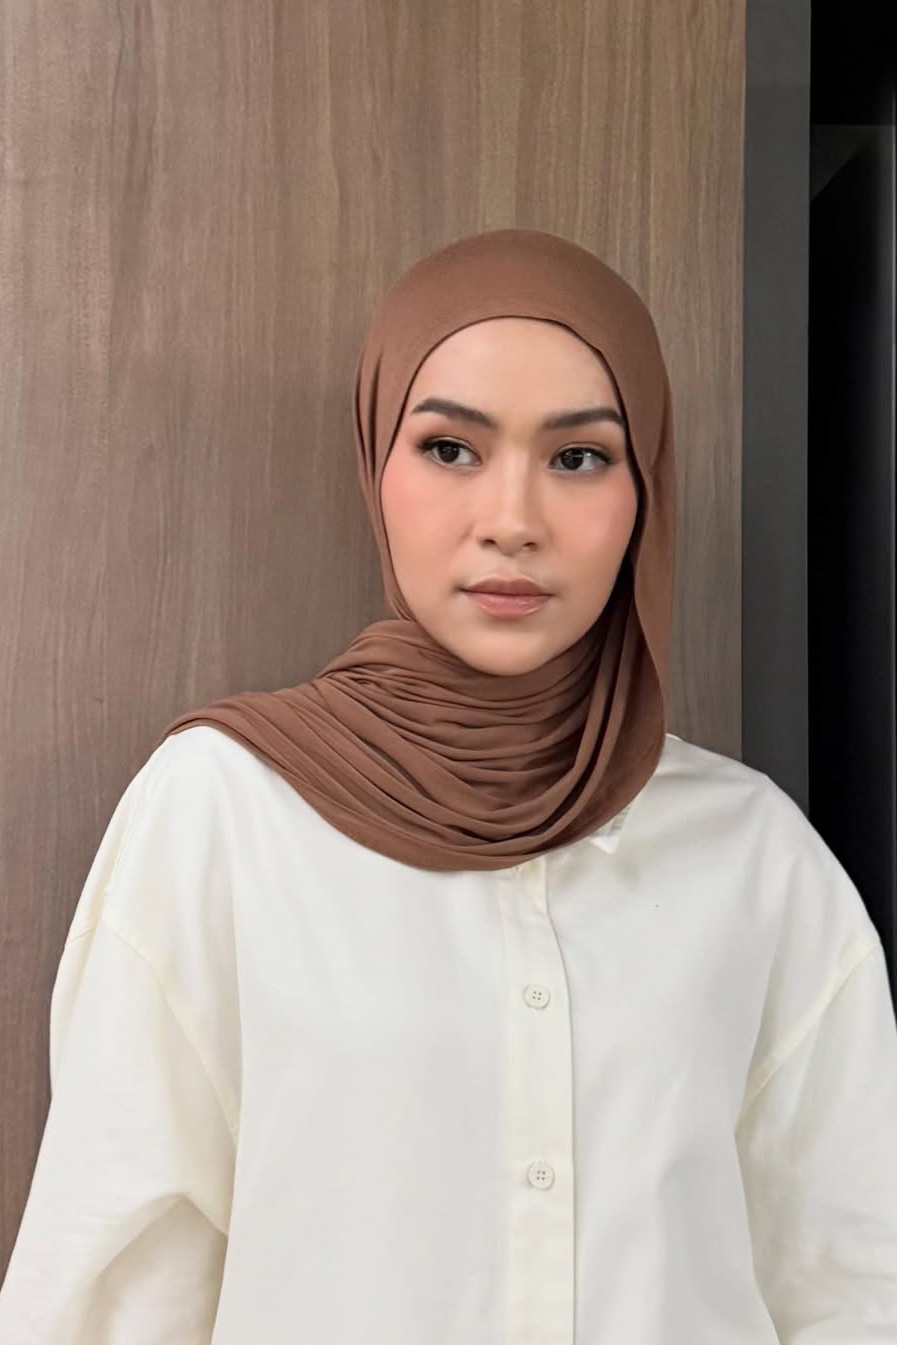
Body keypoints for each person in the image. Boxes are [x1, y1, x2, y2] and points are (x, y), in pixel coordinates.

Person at [1, 229, 895, 1343]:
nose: (511, 518)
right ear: (376, 466)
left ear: (646, 490)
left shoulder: (755, 855)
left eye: (579, 457)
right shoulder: (220, 815)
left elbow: (853, 1283)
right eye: (450, 448)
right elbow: (111, 1295)